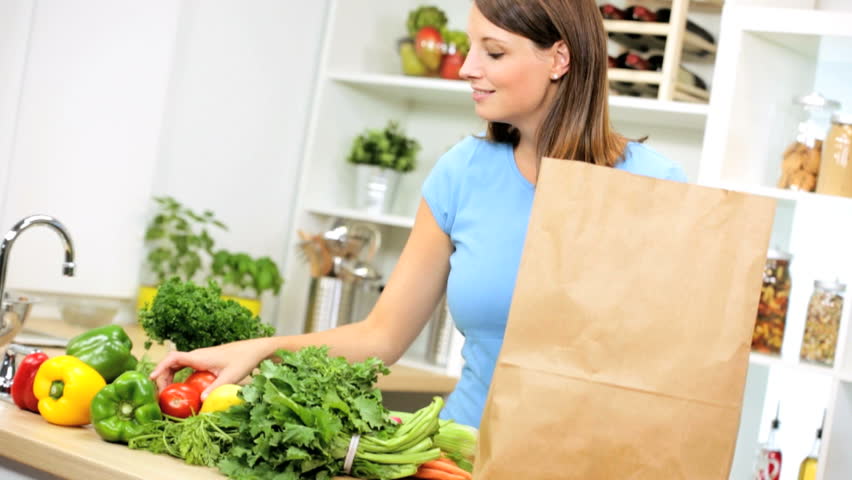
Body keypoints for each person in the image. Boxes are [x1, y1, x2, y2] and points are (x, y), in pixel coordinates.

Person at [150, 0, 687, 429]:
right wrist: (263, 350)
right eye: (471, 47)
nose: (469, 68)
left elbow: (676, 363)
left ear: (559, 59)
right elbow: (381, 337)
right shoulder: (463, 172)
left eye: (493, 52)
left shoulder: (653, 186)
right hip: (465, 454)